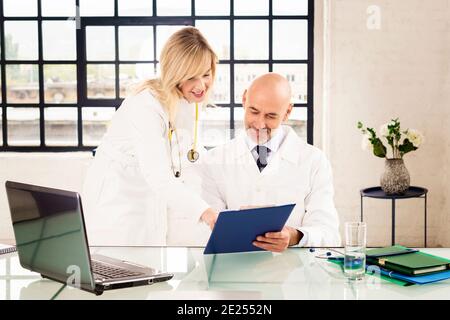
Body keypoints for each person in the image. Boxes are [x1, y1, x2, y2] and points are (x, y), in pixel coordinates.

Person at [82, 27, 218, 246]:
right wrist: (206, 212)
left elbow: (189, 157)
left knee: (149, 265)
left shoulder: (189, 101)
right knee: (118, 265)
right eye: (191, 77)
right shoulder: (145, 105)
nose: (201, 85)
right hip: (119, 199)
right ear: (175, 74)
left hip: (150, 197)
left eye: (206, 74)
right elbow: (158, 176)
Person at [198, 72, 341, 252]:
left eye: (271, 116)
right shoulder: (213, 161)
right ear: (244, 99)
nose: (259, 124)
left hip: (294, 275)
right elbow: (206, 232)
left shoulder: (314, 161)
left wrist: (293, 236)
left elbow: (329, 234)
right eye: (254, 111)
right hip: (234, 273)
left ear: (287, 112)